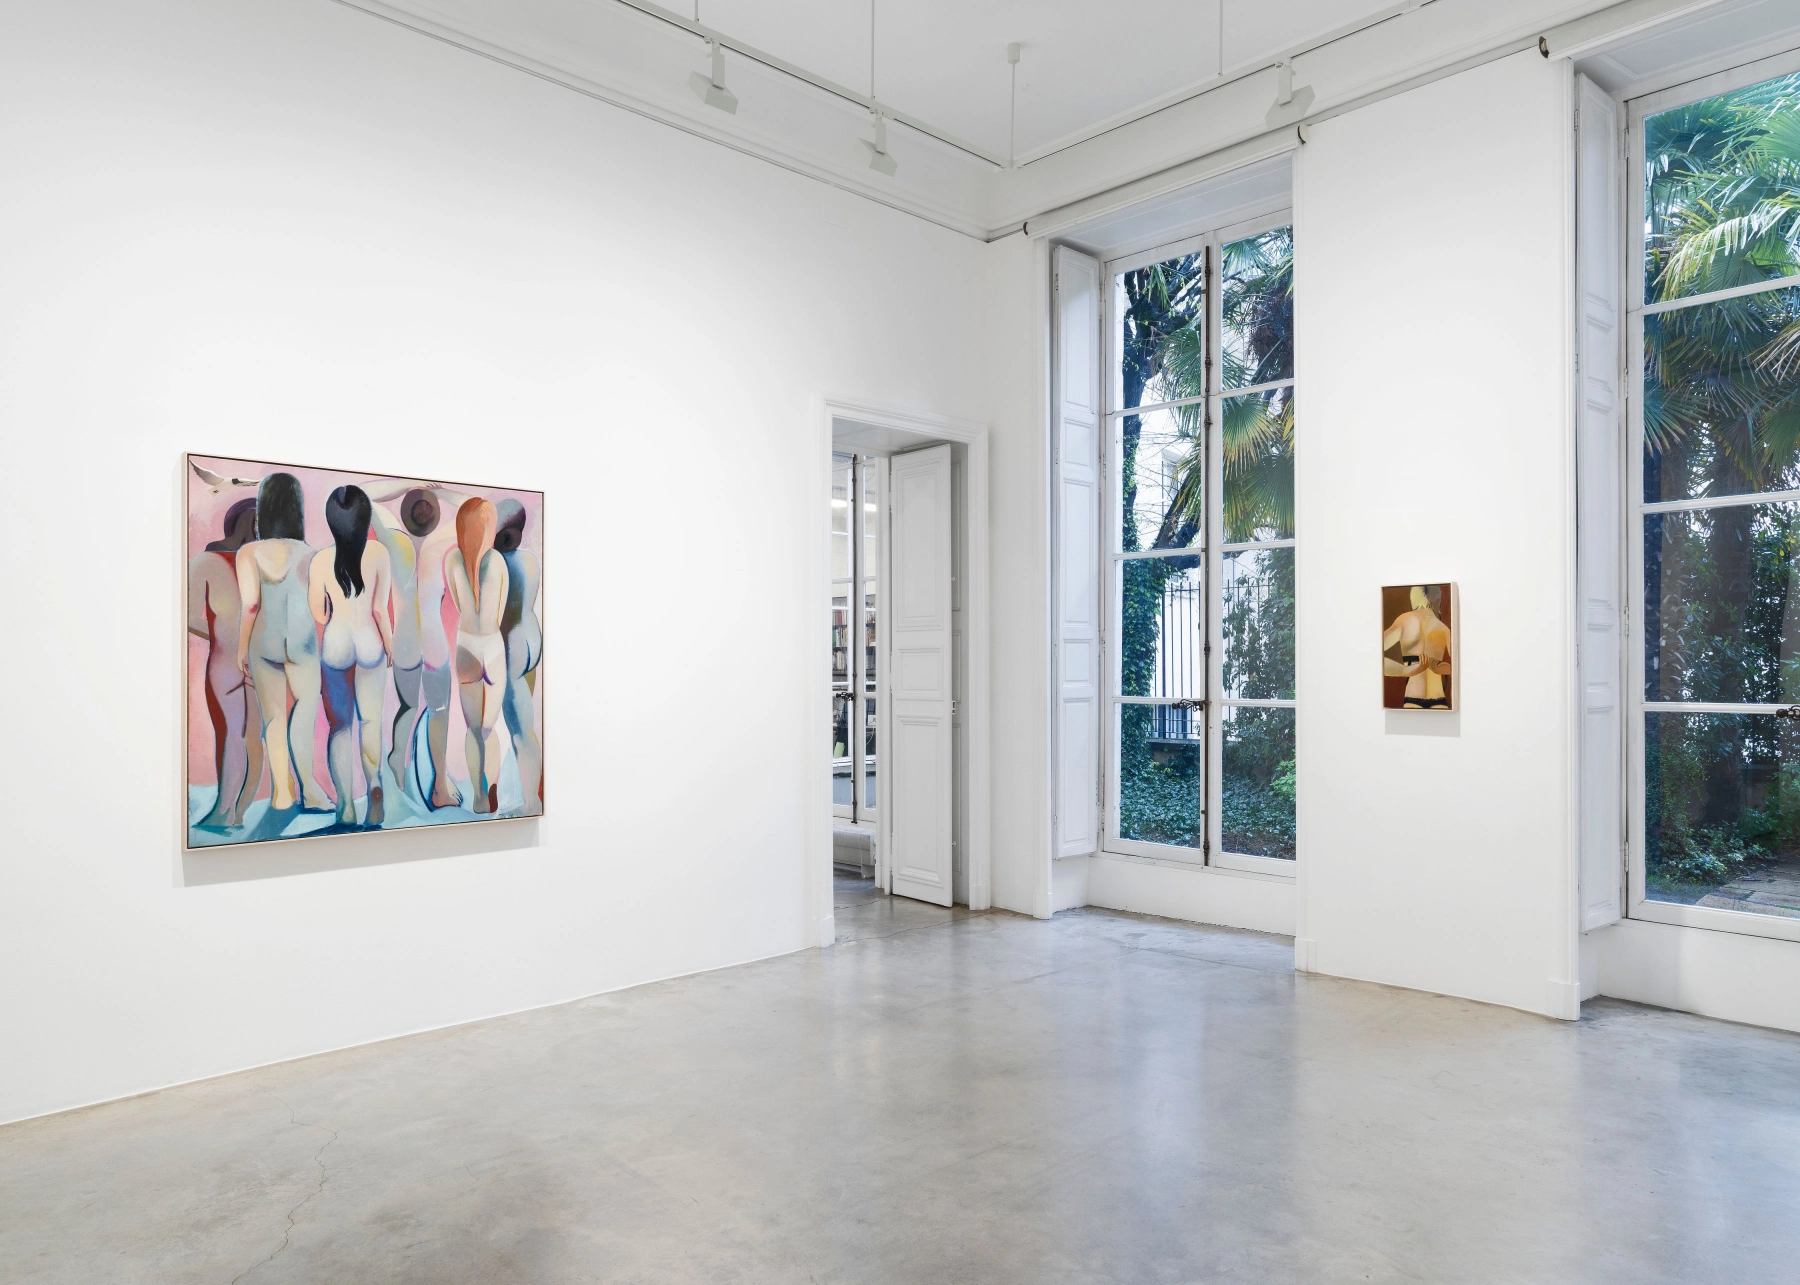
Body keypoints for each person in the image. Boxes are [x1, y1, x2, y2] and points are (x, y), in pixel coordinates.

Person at [365, 483, 465, 809]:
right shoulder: (442, 542)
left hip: (406, 643)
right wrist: (442, 491)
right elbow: (476, 506)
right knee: (438, 711)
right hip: (433, 644)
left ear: (405, 511)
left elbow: (362, 494)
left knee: (409, 709)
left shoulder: (394, 539)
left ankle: (399, 764)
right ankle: (439, 784)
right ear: (435, 515)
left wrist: (404, 486)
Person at [235, 473, 330, 812]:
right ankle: (311, 789)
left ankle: (282, 793)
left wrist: (241, 648)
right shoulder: (312, 553)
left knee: (273, 718)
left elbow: (250, 605)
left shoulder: (249, 553)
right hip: (303, 641)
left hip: (264, 641)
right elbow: (321, 610)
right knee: (304, 710)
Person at [309, 485, 395, 827]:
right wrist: (390, 646)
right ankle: (374, 787)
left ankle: (345, 805)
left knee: (340, 727)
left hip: (336, 644)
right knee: (371, 722)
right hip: (371, 642)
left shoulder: (319, 560)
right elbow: (380, 609)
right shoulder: (379, 553)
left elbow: (319, 613)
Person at [187, 498, 264, 827]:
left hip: (226, 659)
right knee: (252, 738)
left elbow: (190, 618)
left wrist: (225, 635)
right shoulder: (265, 561)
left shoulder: (205, 561)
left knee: (235, 734)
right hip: (257, 658)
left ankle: (226, 813)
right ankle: (236, 813)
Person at [446, 498, 509, 814]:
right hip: (492, 647)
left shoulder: (452, 560)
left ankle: (478, 796)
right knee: (488, 728)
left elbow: (459, 605)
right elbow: (498, 614)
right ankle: (493, 782)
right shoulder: (497, 561)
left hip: (466, 646)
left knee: (473, 730)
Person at [493, 499, 543, 814]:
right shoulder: (530, 560)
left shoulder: (495, 565)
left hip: (511, 649)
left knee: (519, 731)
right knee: (526, 727)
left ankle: (530, 801)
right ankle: (528, 796)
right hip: (532, 643)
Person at [1383, 585, 1453, 709]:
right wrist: (1443, 669)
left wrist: (1408, 670)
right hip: (1439, 700)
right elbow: (1461, 668)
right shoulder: (1444, 628)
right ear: (1438, 599)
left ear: (1414, 597)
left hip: (1413, 698)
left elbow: (1374, 654)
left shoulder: (1405, 620)